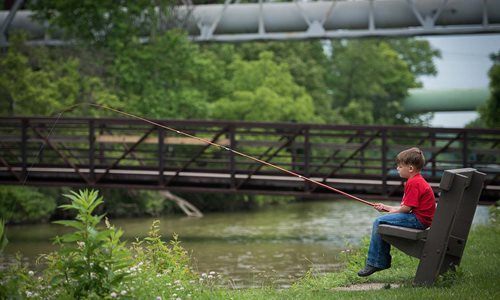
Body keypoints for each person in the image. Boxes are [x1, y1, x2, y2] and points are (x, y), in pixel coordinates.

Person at [357, 147, 436, 277]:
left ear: (410, 168)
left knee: (379, 221)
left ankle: (376, 262)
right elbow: (406, 208)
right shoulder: (417, 180)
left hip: (418, 220)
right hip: (419, 218)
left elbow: (405, 209)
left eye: (399, 166)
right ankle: (378, 261)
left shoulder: (414, 183)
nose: (397, 169)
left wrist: (388, 214)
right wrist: (386, 207)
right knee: (381, 221)